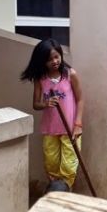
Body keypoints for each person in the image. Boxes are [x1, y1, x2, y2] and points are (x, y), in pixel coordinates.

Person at [20, 39, 84, 191]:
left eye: (56, 57)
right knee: (51, 164)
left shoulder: (70, 74)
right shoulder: (41, 79)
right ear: (42, 61)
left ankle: (65, 194)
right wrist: (46, 103)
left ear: (61, 55)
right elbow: (35, 104)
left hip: (70, 130)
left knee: (69, 167)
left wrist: (78, 125)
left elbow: (80, 99)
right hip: (50, 129)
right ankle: (55, 194)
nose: (54, 61)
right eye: (49, 59)